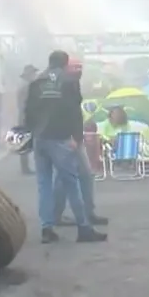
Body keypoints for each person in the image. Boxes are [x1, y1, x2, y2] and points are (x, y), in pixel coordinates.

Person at [24, 50, 107, 243]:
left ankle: (47, 229)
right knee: (72, 183)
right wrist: (77, 137)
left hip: (40, 138)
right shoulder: (69, 81)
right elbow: (74, 111)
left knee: (43, 184)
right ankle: (84, 228)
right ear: (65, 63)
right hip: (61, 138)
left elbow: (28, 111)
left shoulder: (36, 82)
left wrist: (31, 133)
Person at [51, 57, 109, 228]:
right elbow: (65, 113)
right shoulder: (65, 84)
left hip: (73, 137)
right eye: (74, 67)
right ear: (66, 68)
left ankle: (86, 213)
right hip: (65, 137)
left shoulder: (69, 83)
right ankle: (60, 216)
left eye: (80, 67)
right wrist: (71, 137)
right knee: (64, 178)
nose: (78, 70)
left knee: (83, 175)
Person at [15, 65, 39, 173]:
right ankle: (25, 168)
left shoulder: (23, 85)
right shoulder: (27, 86)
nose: (34, 75)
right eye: (33, 73)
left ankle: (25, 167)